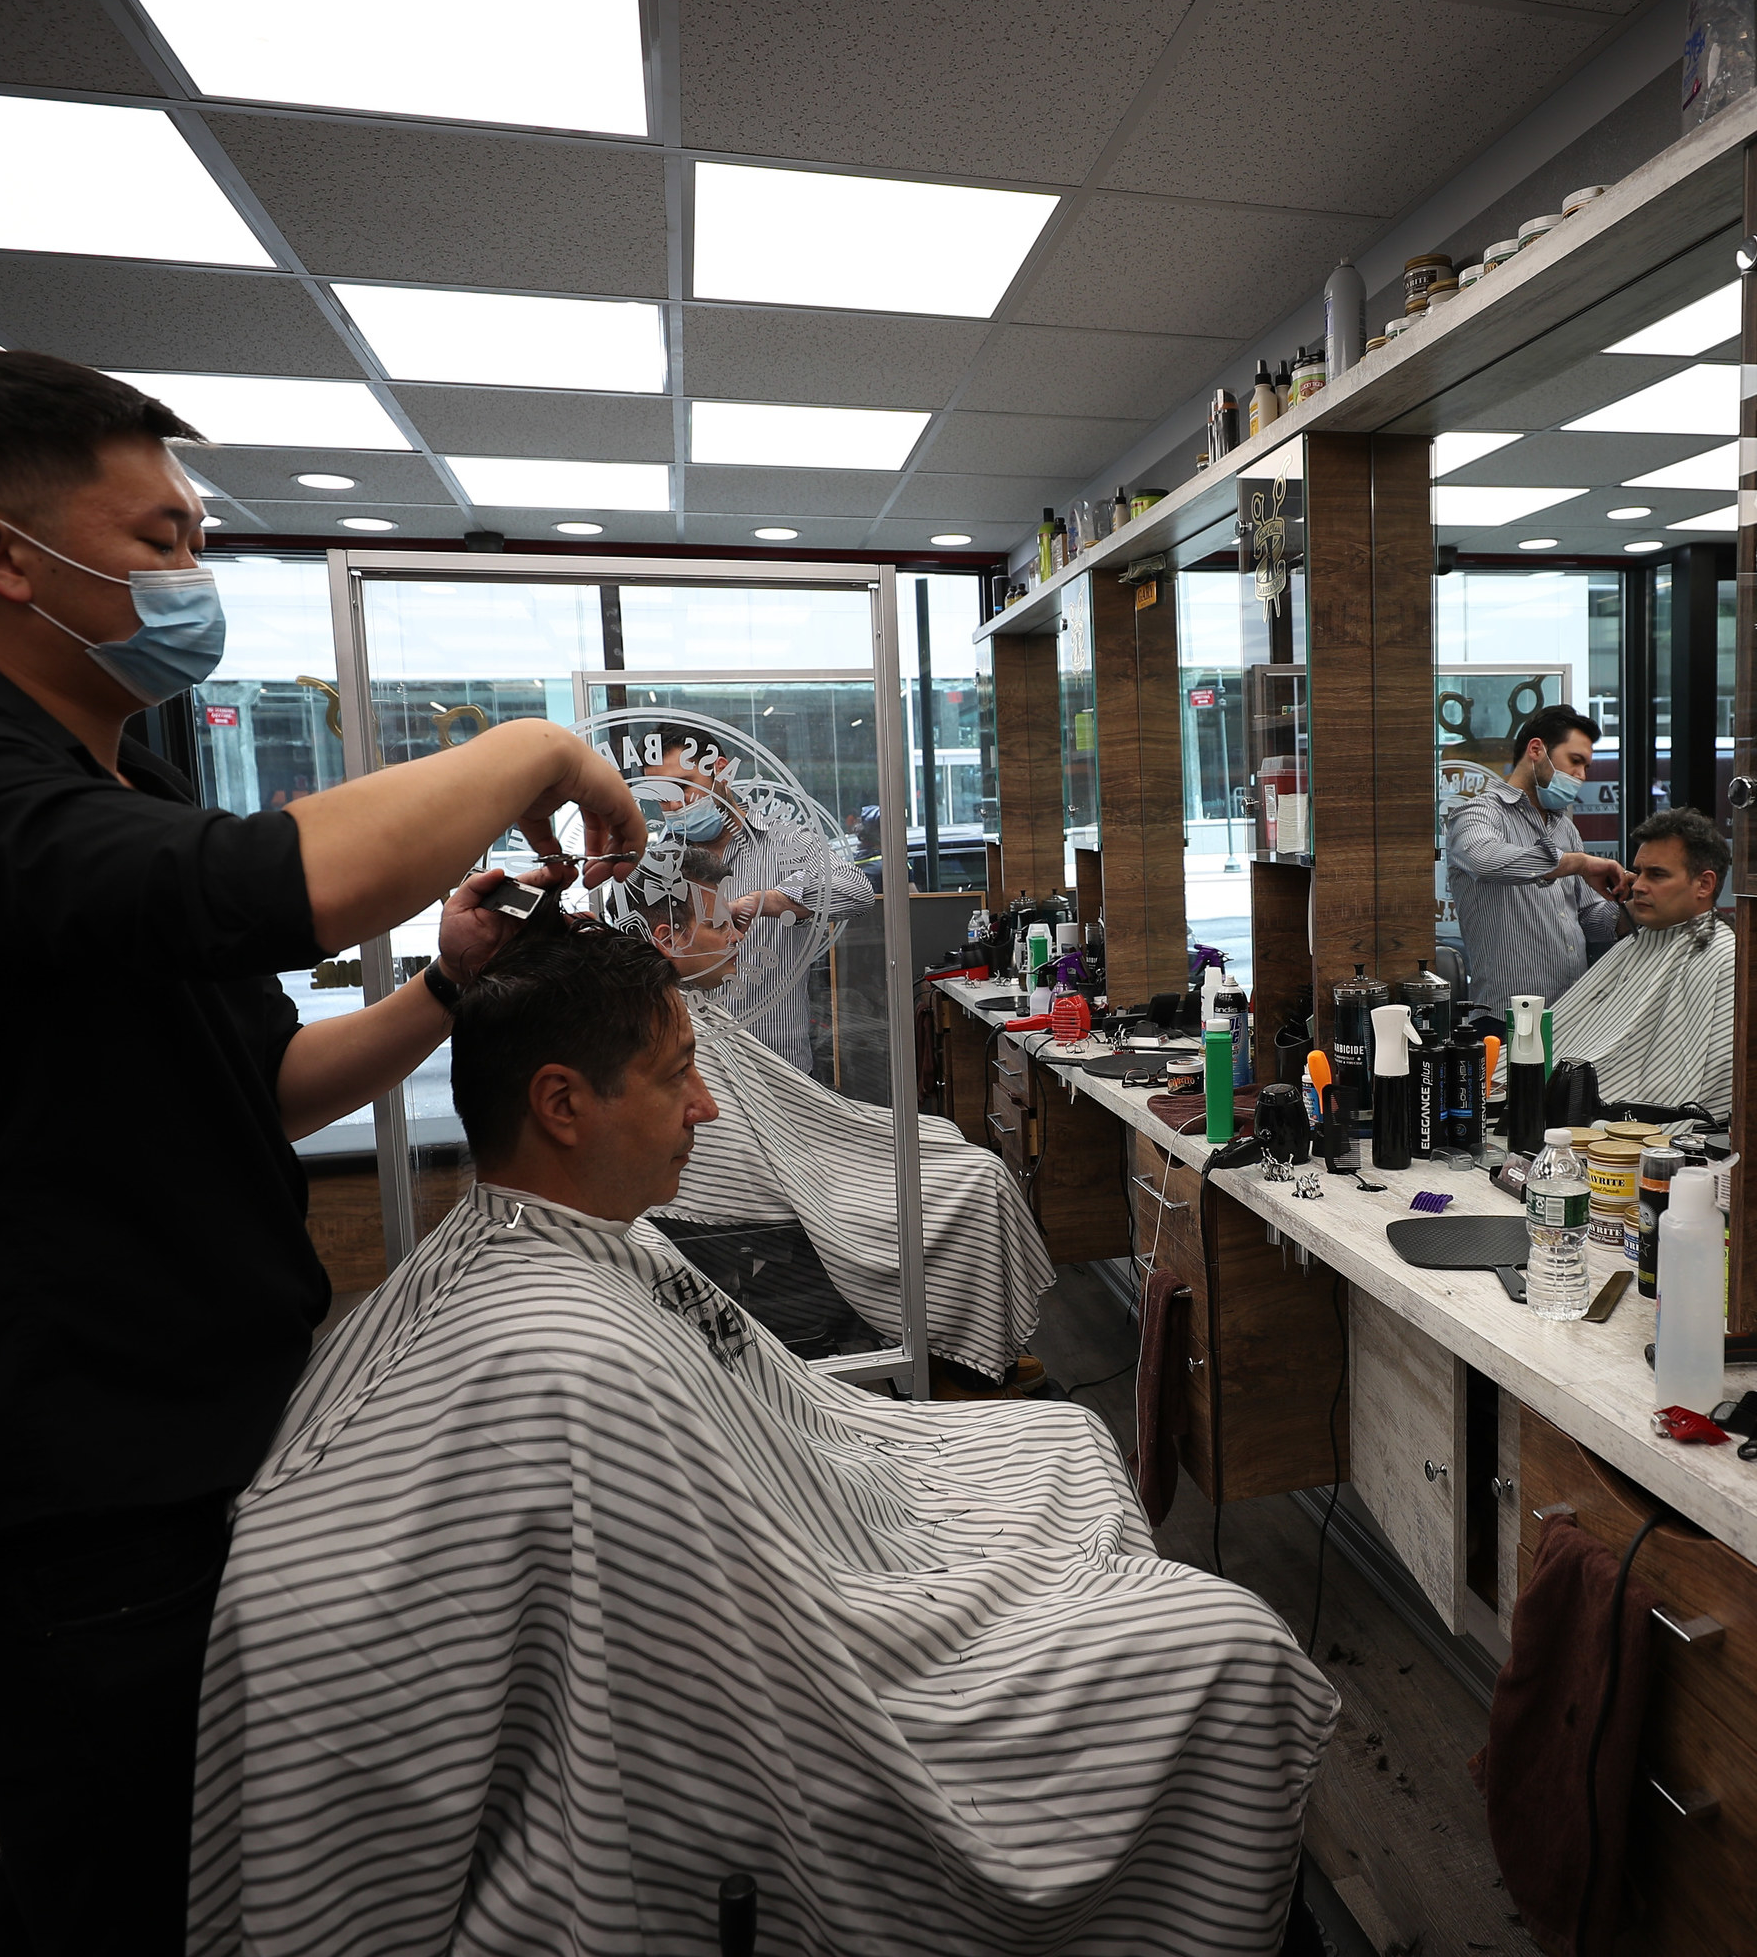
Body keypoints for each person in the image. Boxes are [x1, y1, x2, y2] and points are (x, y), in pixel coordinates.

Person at [0, 348, 646, 1956]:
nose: (194, 573)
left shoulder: (121, 779)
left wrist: (449, 982)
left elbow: (262, 1088)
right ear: (2, 555)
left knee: (159, 1876)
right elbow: (261, 887)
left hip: (190, 1439)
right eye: (162, 538)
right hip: (56, 1489)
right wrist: (535, 749)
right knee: (151, 1900)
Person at [188, 919, 1336, 1955]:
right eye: (676, 1073)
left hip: (840, 1533)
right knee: (1230, 1643)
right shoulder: (554, 1355)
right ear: (561, 1103)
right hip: (817, 1674)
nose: (709, 1105)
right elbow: (721, 1653)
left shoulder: (562, 1259)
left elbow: (796, 1457)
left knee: (1060, 1446)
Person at [622, 841, 1054, 1395]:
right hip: (788, 1199)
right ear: (668, 938)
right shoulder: (673, 1028)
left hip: (808, 1161)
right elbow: (741, 1165)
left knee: (949, 1144)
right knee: (977, 1179)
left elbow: (850, 887)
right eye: (720, 925)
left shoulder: (690, 1007)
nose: (736, 936)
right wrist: (826, 1169)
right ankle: (958, 1366)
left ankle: (970, 1353)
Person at [637, 730, 879, 1075]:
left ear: (719, 770)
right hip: (692, 1069)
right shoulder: (653, 862)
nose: (675, 805)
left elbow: (856, 890)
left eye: (683, 786)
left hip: (780, 1068)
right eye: (661, 796)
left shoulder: (788, 843)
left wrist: (771, 901)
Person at [1541, 807, 1737, 1120]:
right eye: (1639, 872)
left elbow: (1702, 1092)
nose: (1639, 885)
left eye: (1657, 875)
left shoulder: (1724, 959)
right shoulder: (1639, 941)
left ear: (1704, 884)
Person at [1444, 705, 1631, 1009]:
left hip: (1570, 1015)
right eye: (1575, 761)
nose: (1581, 776)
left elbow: (1587, 918)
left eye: (1586, 767)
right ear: (1536, 750)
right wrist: (1579, 863)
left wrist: (1635, 906)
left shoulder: (1565, 828)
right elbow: (1485, 859)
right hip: (1506, 1021)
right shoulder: (1476, 813)